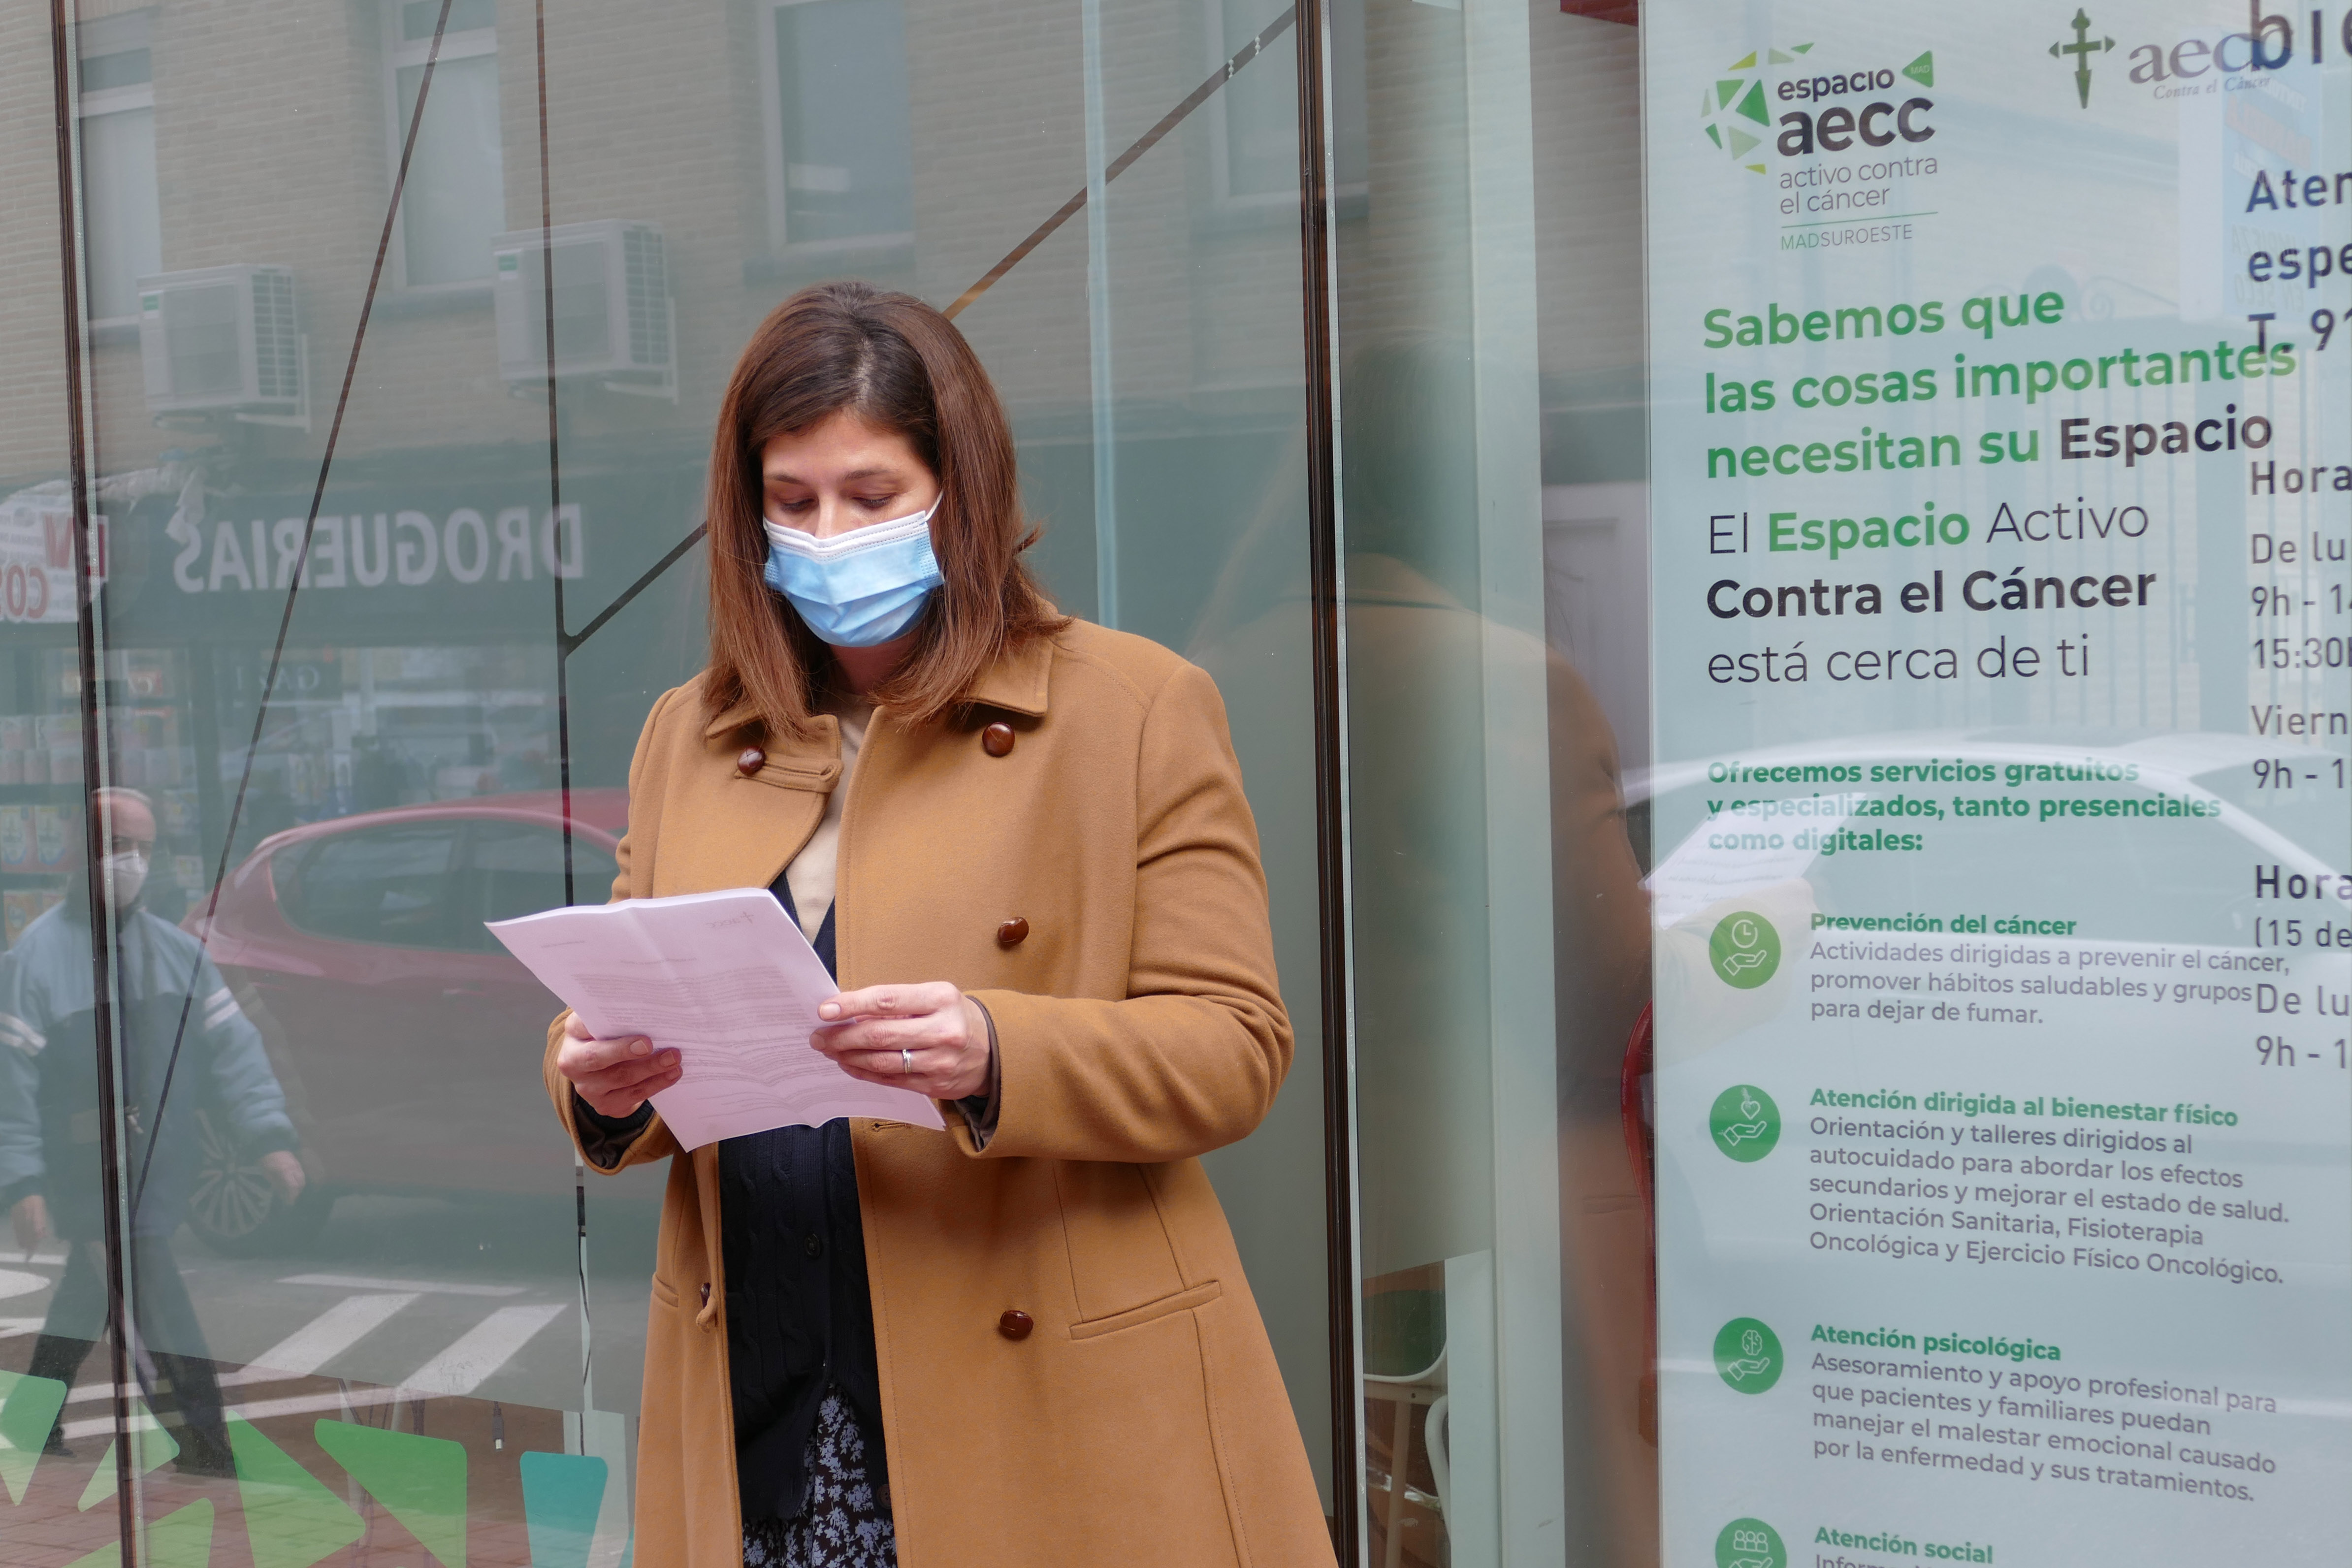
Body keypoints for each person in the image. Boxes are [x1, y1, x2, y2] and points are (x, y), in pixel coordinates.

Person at [547, 282, 1332, 1568]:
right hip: (762, 1388)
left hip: (1037, 1390)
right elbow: (622, 992)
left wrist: (994, 1049)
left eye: (870, 495)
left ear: (958, 493)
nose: (827, 535)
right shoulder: (688, 733)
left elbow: (1235, 1045)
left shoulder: (1133, 706)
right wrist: (599, 1079)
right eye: (792, 500)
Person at [0, 786, 304, 1475]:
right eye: (117, 846)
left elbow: (235, 1048)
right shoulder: (35, 959)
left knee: (89, 1293)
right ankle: (204, 1443)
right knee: (155, 1302)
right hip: (87, 1175)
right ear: (81, 852)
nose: (131, 861)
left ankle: (30, 1422)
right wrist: (25, 1182)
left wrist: (269, 1137)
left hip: (160, 1165)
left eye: (143, 847)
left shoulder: (173, 951)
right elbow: (11, 1085)